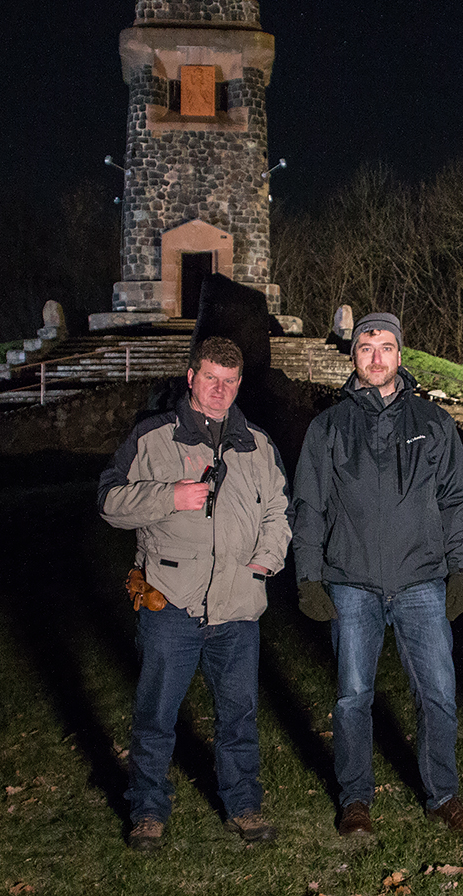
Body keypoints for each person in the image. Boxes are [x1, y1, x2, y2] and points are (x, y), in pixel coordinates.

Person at [290, 312, 463, 838]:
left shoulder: (434, 424)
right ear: (353, 357)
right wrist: (309, 577)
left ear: (401, 354)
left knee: (439, 693)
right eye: (364, 348)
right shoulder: (328, 428)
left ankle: (443, 795)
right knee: (353, 696)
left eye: (385, 348)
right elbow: (309, 507)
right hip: (351, 582)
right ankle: (356, 799)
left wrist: (462, 568)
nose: (375, 357)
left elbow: (457, 501)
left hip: (421, 581)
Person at [97, 337, 292, 851]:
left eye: (230, 381)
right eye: (210, 378)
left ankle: (244, 805)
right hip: (171, 603)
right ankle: (147, 810)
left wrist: (267, 559)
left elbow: (279, 508)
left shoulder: (258, 443)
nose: (219, 390)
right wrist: (170, 496)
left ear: (240, 384)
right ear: (190, 377)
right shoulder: (152, 437)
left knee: (238, 715)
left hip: (238, 605)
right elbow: (110, 502)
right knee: (156, 714)